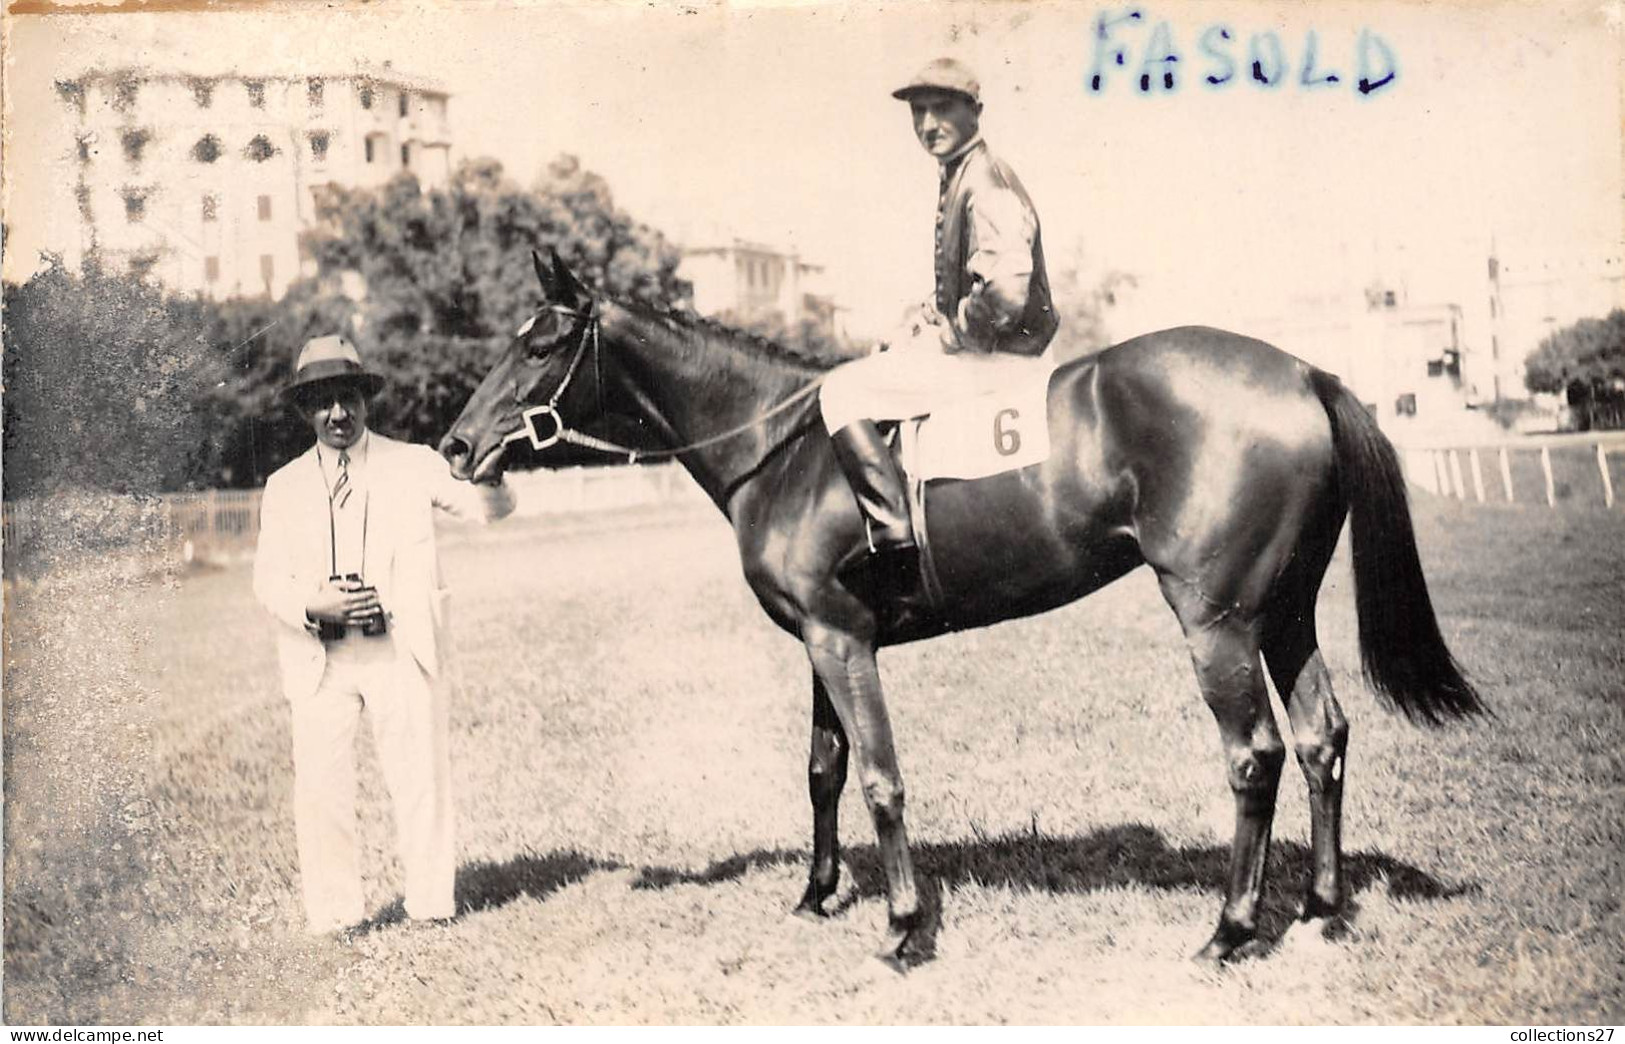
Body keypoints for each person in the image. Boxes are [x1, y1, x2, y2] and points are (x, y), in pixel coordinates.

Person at [253, 334, 515, 937]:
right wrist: (314, 606)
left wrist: (496, 474)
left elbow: (486, 510)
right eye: (323, 403)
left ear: (366, 400)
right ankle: (336, 914)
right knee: (321, 790)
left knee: (419, 778)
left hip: (401, 648)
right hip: (321, 658)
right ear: (304, 411)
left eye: (348, 398)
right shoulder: (283, 487)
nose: (338, 415)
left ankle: (429, 905)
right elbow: (268, 582)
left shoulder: (413, 462)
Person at [820, 57, 1059, 576]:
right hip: (995, 351)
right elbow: (969, 282)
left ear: (976, 111)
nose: (928, 125)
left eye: (943, 109)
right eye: (918, 112)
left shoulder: (986, 182)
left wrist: (951, 334)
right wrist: (923, 315)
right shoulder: (963, 174)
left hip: (1005, 360)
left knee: (840, 391)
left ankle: (893, 536)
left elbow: (1005, 290)